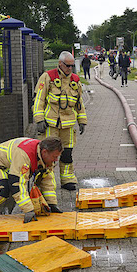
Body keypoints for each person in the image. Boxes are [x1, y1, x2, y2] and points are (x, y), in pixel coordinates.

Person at [0, 136, 64, 234]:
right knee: (2, 190)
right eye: (54, 157)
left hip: (12, 163)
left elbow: (48, 181)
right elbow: (18, 184)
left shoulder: (46, 157)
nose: (56, 160)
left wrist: (52, 204)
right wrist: (28, 209)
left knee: (27, 182)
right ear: (44, 152)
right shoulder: (24, 155)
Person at [33, 51, 87, 190]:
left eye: (72, 66)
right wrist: (39, 119)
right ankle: (45, 182)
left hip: (68, 125)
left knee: (67, 154)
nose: (70, 68)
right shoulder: (48, 77)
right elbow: (39, 99)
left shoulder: (75, 80)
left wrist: (82, 121)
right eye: (67, 65)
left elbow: (79, 103)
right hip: (51, 124)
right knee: (48, 154)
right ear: (60, 64)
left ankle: (67, 180)